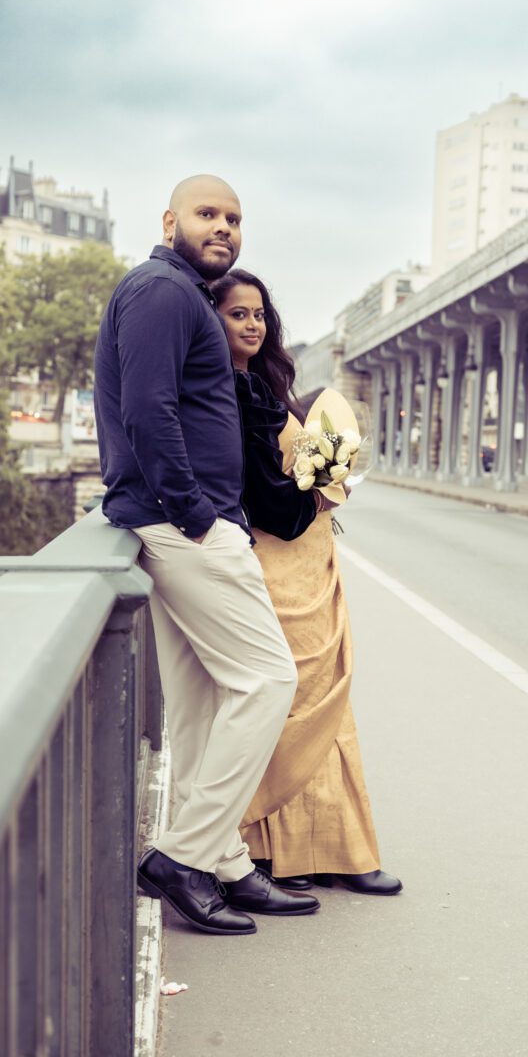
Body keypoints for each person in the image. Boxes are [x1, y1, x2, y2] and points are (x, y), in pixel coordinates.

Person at [94, 175, 324, 935]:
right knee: (267, 679)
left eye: (233, 218)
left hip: (171, 521)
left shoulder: (183, 294)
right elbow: (147, 407)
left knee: (199, 701)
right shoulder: (162, 291)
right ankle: (182, 854)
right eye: (207, 214)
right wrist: (195, 513)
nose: (223, 226)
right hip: (186, 524)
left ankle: (223, 858)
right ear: (170, 220)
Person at [213, 268, 402, 896]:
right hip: (274, 568)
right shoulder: (225, 393)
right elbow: (264, 500)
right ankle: (271, 846)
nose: (252, 322)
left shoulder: (264, 387)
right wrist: (322, 492)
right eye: (238, 312)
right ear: (210, 320)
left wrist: (326, 479)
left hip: (310, 568)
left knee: (326, 704)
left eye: (259, 313)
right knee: (296, 706)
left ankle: (329, 846)